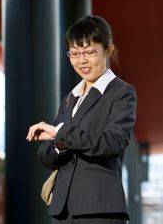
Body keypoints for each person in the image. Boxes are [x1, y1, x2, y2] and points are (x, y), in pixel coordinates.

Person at [26, 15, 137, 224]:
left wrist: (60, 134)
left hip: (99, 211)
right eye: (75, 53)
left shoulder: (122, 93)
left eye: (89, 52)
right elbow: (46, 157)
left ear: (108, 51)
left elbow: (113, 142)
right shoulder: (70, 98)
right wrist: (58, 144)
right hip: (62, 212)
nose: (82, 60)